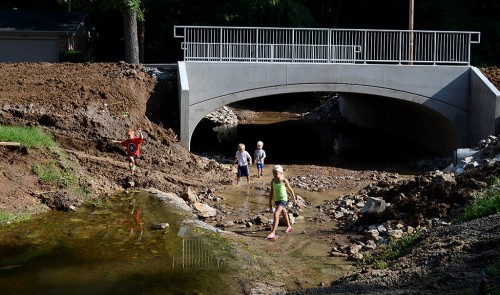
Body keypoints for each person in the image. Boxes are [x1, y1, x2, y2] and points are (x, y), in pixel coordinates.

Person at [266, 165, 299, 240]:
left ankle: (273, 232)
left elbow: (291, 190)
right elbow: (271, 192)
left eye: (276, 173)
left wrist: (294, 200)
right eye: (273, 173)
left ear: (281, 173)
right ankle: (289, 227)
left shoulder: (284, 180)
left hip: (283, 199)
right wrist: (270, 203)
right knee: (284, 212)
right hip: (277, 200)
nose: (275, 175)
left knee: (276, 213)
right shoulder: (273, 181)